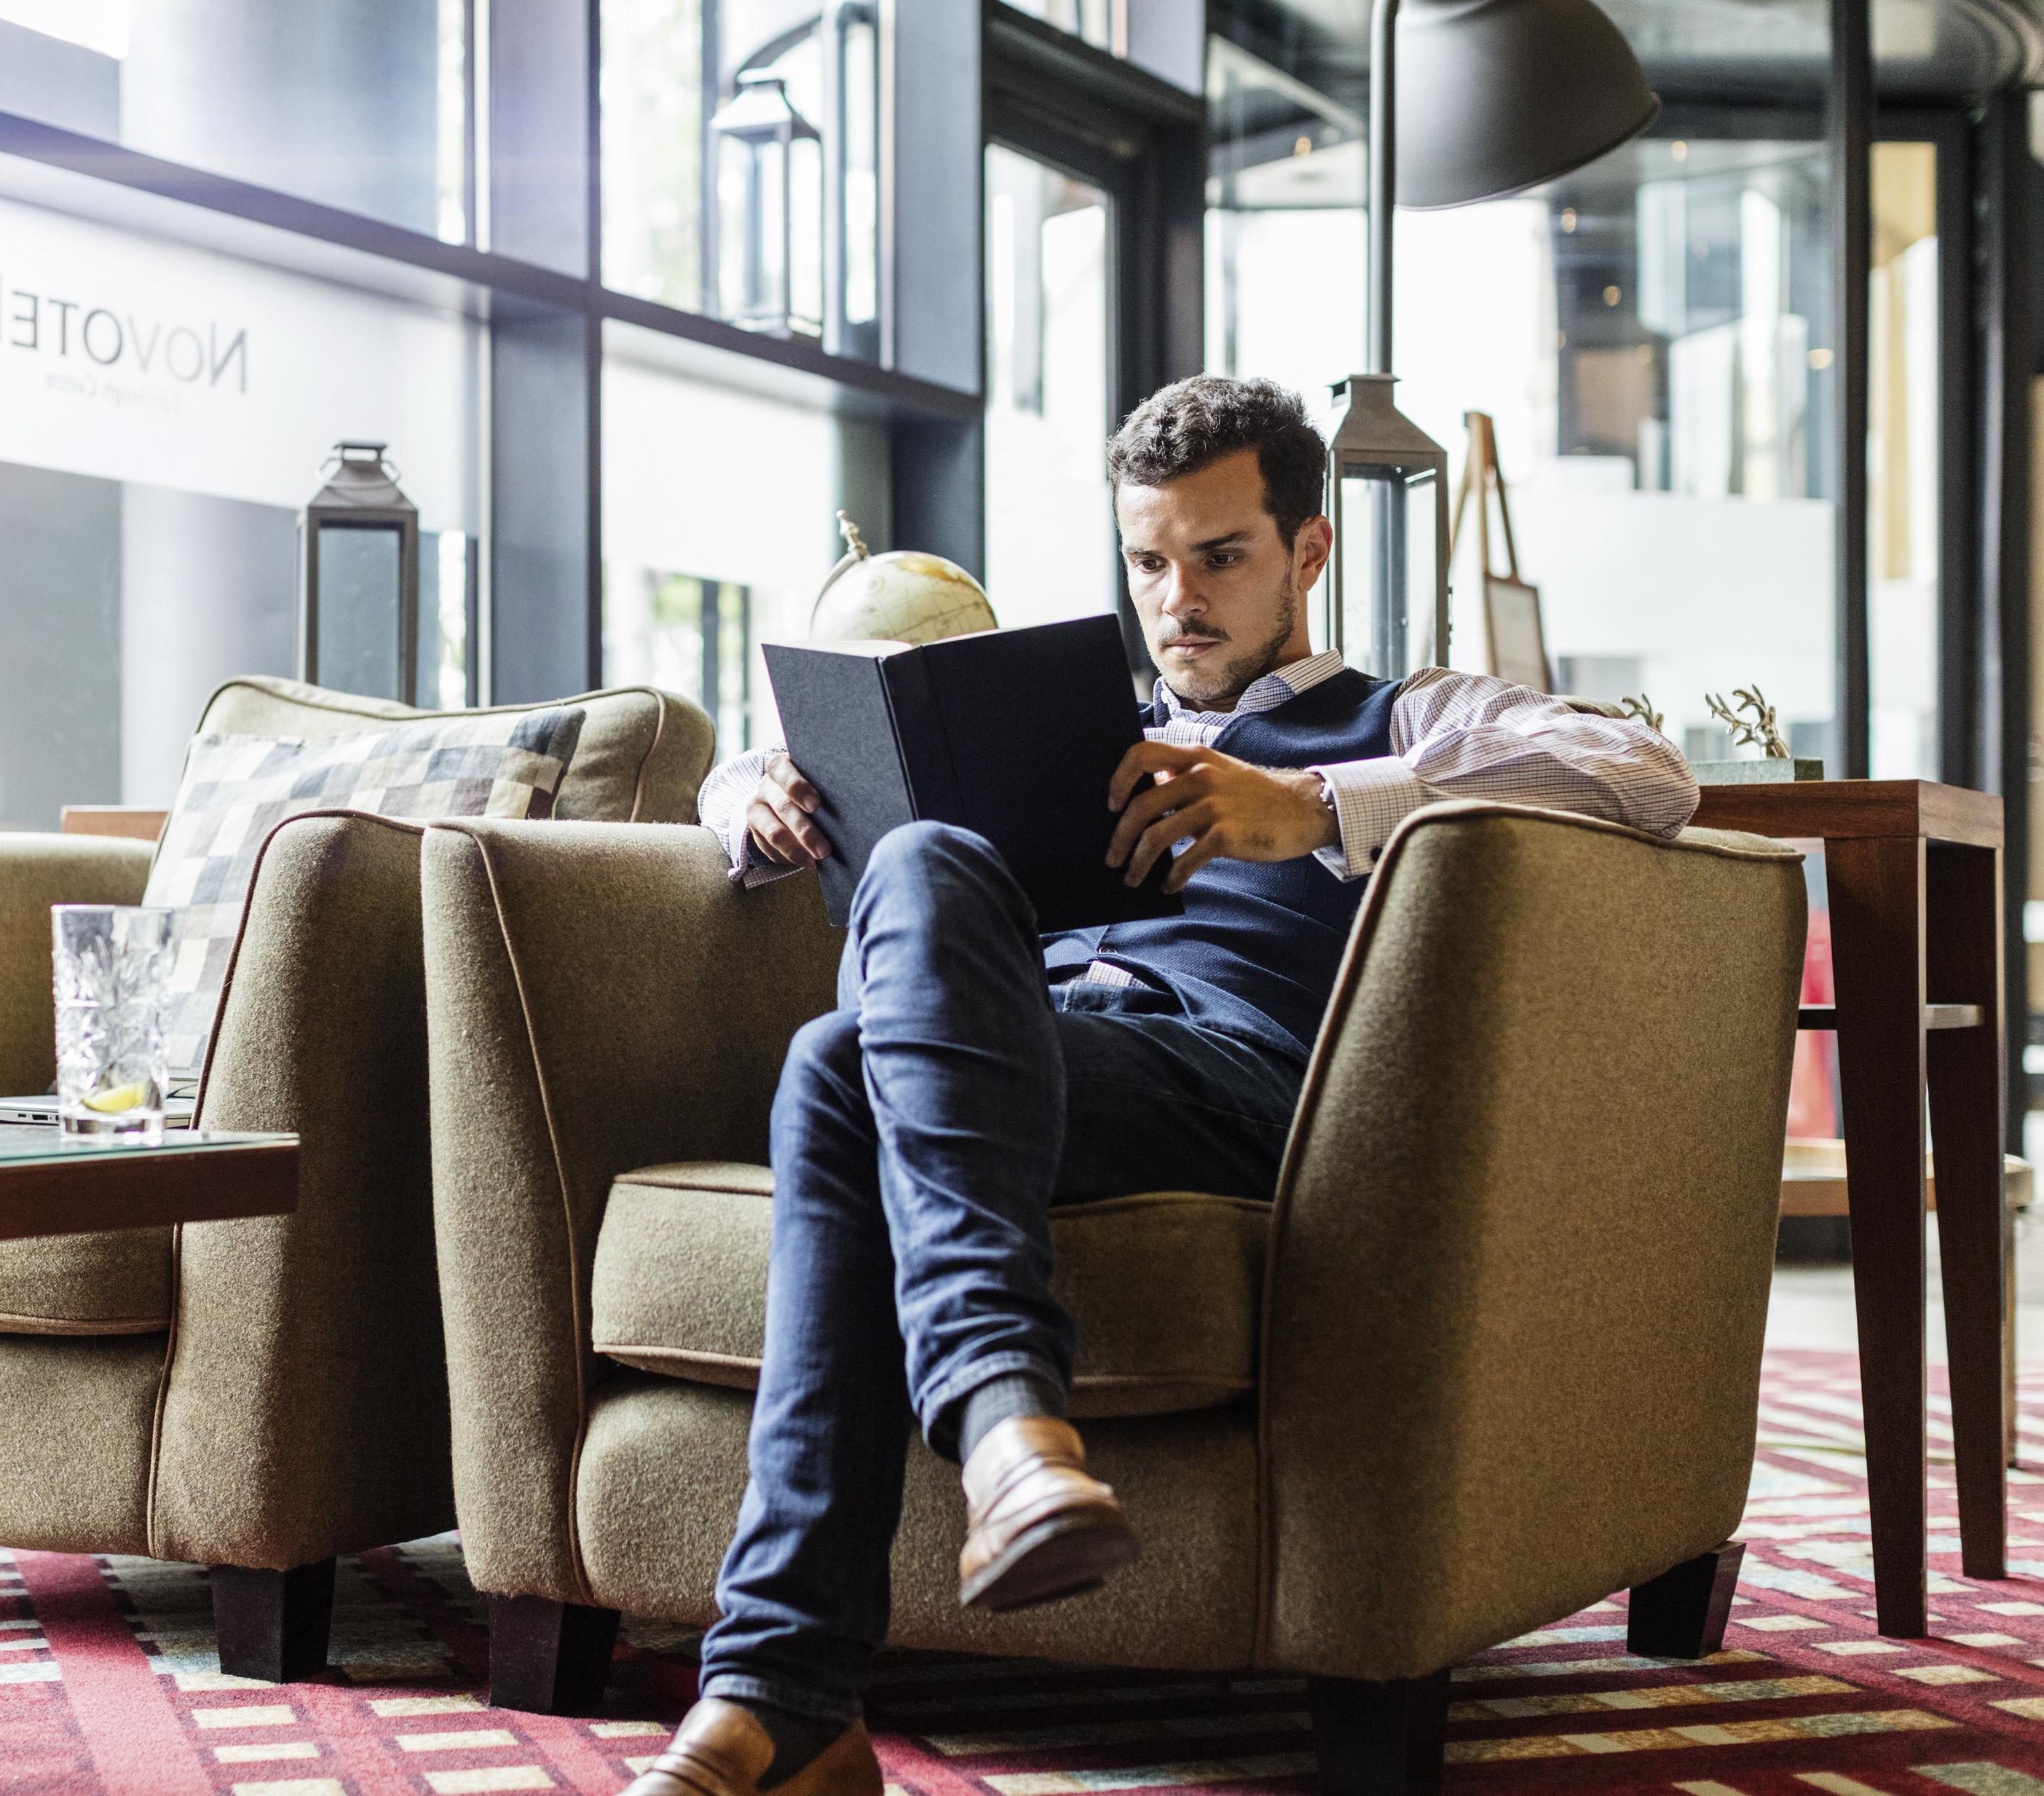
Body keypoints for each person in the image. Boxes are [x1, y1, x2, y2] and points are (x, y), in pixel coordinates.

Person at [626, 377, 1695, 1796]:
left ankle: (819, 1642)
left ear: (1306, 552)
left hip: (1247, 1091)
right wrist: (744, 803)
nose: (1174, 597)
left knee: (842, 1065)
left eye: (1218, 556)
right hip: (1023, 1067)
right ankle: (895, 1572)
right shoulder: (1065, 721)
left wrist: (1318, 808)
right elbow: (749, 781)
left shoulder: (1403, 715)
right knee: (864, 995)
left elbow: (1644, 774)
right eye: (1146, 561)